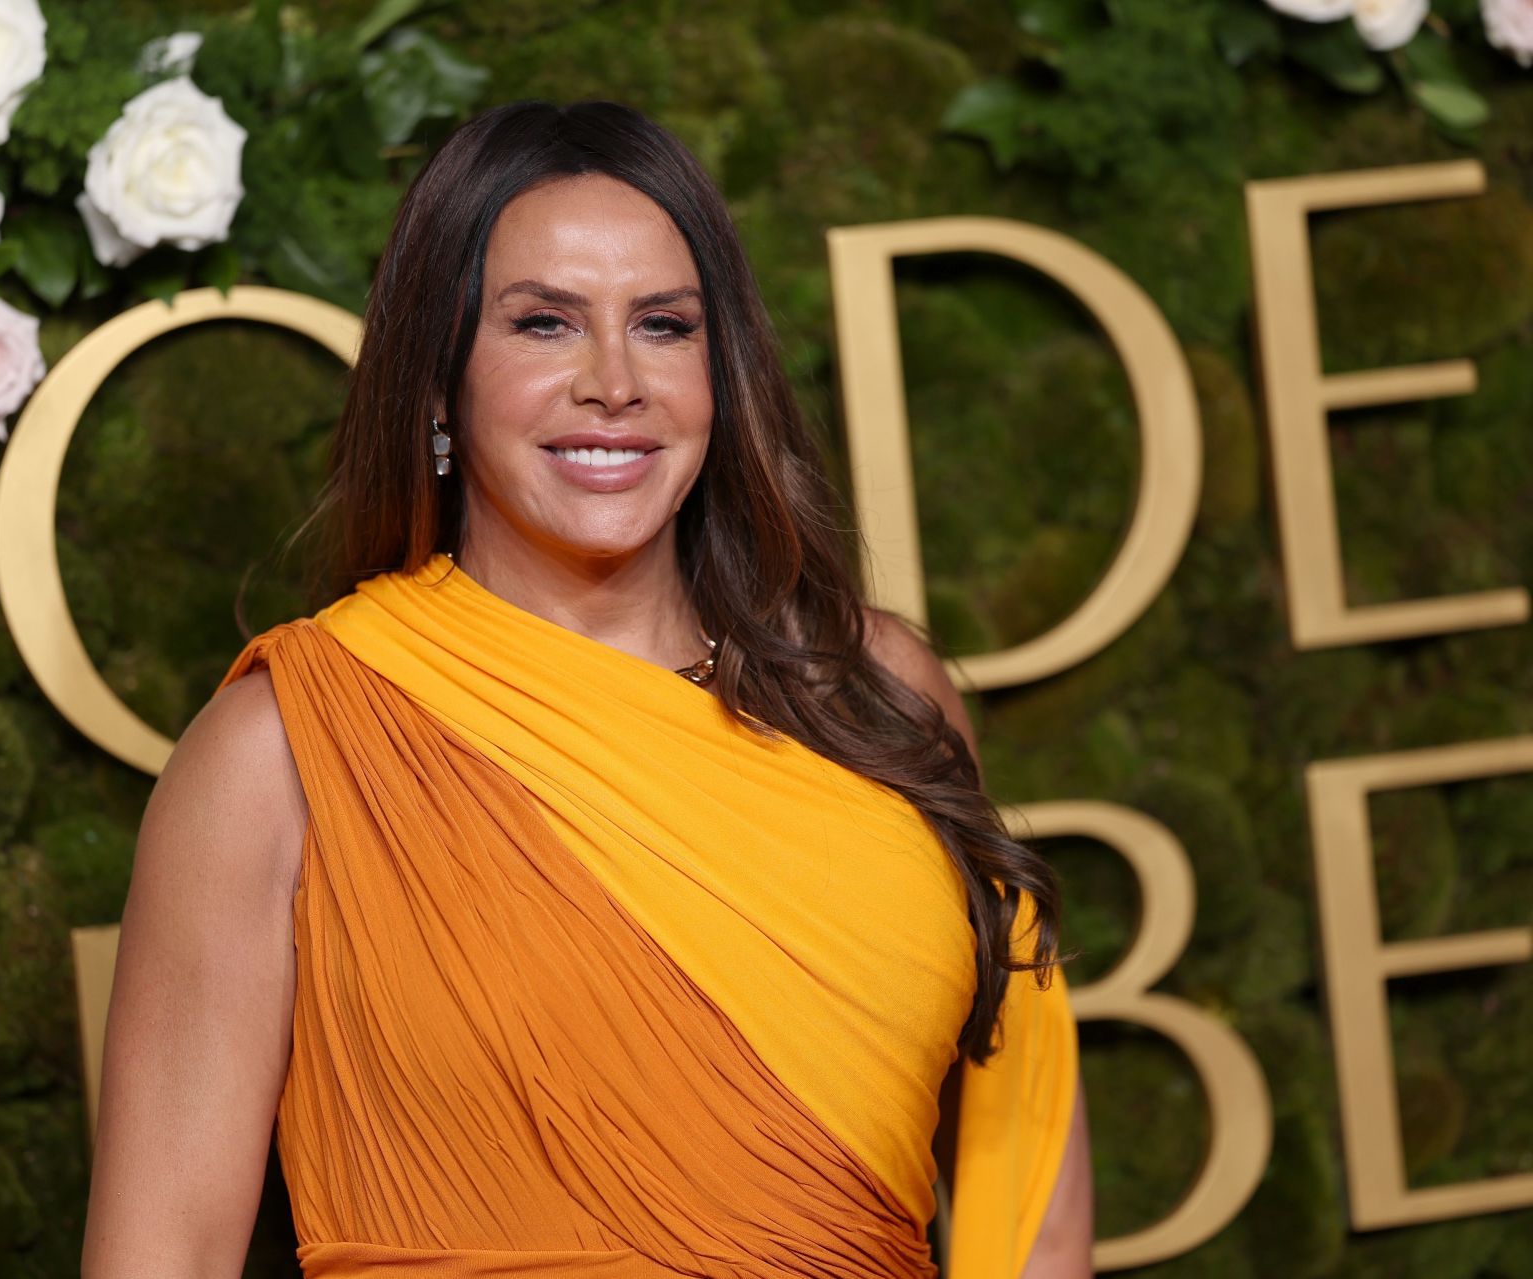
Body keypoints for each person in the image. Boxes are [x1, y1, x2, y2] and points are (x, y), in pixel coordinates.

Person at [82, 99, 1093, 1279]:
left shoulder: (875, 690)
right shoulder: (287, 747)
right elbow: (168, 1253)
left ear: (722, 374)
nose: (614, 382)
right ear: (436, 380)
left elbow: (1022, 1157)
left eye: (664, 325)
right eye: (544, 322)